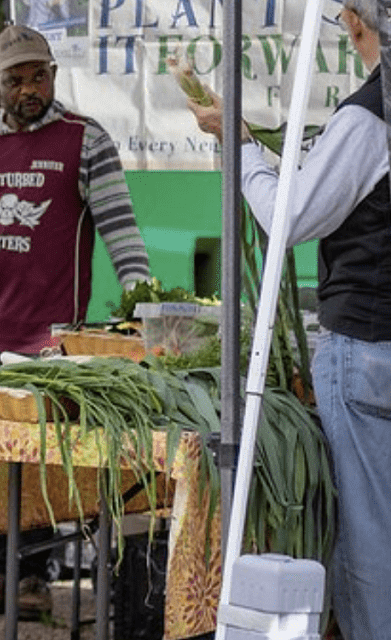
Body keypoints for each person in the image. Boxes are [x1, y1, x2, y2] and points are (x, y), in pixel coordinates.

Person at [0, 24, 151, 617]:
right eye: (16, 79)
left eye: (39, 76)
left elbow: (122, 235)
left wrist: (146, 312)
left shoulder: (84, 140)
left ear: (53, 75)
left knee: (40, 465)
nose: (30, 89)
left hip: (45, 343)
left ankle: (35, 579)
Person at [187, 1, 390, 638]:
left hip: (367, 346)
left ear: (356, 21)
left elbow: (292, 220)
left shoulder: (369, 117)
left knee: (370, 544)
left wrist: (244, 150)